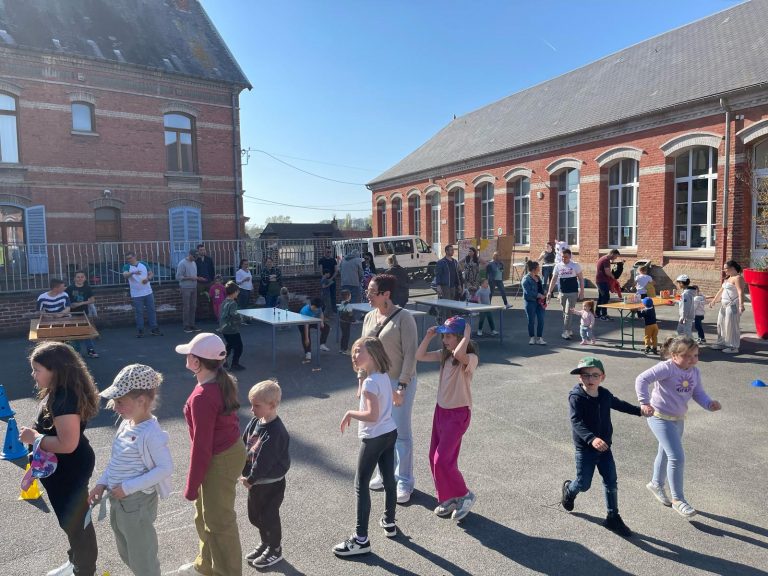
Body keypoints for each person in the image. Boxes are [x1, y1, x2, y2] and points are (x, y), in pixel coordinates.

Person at [19, 342, 100, 576]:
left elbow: (68, 444)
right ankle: (75, 561)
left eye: (37, 370)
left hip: (69, 470)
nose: (33, 374)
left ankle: (84, 570)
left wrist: (35, 438)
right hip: (61, 469)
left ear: (56, 371)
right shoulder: (58, 392)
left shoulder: (65, 399)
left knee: (77, 524)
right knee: (71, 522)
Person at [87, 364, 172, 576]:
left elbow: (165, 468)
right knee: (126, 551)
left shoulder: (150, 433)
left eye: (120, 402)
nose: (115, 407)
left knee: (143, 558)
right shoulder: (127, 424)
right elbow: (117, 461)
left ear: (141, 401)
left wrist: (128, 487)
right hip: (119, 499)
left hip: (136, 503)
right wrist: (102, 483)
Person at [175, 333, 245, 576]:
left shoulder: (202, 397)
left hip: (220, 458)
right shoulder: (219, 381)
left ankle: (228, 572)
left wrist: (191, 485)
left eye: (189, 354)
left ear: (197, 362)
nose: (186, 357)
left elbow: (202, 446)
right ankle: (205, 565)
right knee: (204, 515)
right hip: (228, 452)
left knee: (219, 522)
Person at [635, 336, 722, 518]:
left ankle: (656, 484)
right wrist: (644, 402)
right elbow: (642, 379)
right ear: (674, 355)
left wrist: (709, 404)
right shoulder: (667, 367)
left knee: (665, 453)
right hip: (659, 417)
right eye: (687, 356)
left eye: (695, 355)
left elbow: (698, 392)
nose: (692, 359)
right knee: (676, 457)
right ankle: (678, 499)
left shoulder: (694, 372)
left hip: (678, 418)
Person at [561, 357, 641, 537]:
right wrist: (591, 438)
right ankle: (569, 490)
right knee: (583, 484)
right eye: (585, 375)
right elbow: (576, 421)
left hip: (604, 447)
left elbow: (619, 404)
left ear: (602, 377)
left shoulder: (604, 395)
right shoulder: (576, 397)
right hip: (586, 449)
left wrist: (639, 411)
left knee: (611, 481)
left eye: (595, 375)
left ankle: (613, 517)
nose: (590, 379)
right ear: (579, 377)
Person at [334, 336, 398, 557]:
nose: (354, 355)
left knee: (361, 484)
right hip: (389, 432)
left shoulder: (372, 382)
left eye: (358, 350)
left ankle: (361, 539)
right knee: (389, 479)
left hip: (374, 437)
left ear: (372, 354)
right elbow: (372, 398)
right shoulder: (382, 376)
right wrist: (361, 377)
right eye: (353, 351)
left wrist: (349, 413)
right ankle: (389, 521)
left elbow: (372, 415)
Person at [362, 274, 419, 504]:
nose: (368, 295)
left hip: (398, 382)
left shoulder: (404, 318)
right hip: (376, 382)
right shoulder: (369, 317)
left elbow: (411, 355)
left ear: (386, 294)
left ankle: (404, 480)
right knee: (380, 431)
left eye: (372, 291)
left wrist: (403, 385)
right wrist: (361, 379)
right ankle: (385, 474)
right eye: (367, 290)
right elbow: (362, 350)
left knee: (401, 433)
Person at [416, 317, 479, 522]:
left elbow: (460, 354)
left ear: (460, 337)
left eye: (449, 336)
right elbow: (419, 355)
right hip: (441, 412)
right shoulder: (444, 355)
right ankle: (450, 497)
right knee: (433, 457)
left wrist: (467, 336)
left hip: (458, 414)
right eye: (444, 336)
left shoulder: (470, 358)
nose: (444, 340)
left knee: (442, 459)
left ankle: (465, 495)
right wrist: (428, 336)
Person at [241, 380, 290, 569]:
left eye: (256, 406)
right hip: (256, 482)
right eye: (251, 404)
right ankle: (266, 542)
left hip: (271, 483)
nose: (252, 409)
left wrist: (251, 478)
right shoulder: (256, 421)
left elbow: (264, 461)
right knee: (255, 516)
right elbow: (244, 443)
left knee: (269, 516)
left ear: (272, 405)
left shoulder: (276, 431)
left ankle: (275, 548)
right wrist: (239, 466)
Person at [710, 260, 746, 354]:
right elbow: (721, 290)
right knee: (720, 324)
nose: (724, 270)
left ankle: (733, 347)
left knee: (731, 325)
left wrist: (741, 305)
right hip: (724, 305)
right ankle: (721, 343)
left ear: (732, 268)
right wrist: (714, 300)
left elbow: (740, 292)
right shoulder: (728, 278)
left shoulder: (738, 278)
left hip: (732, 305)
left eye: (726, 268)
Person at [547, 248, 584, 340]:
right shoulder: (558, 266)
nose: (564, 259)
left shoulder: (575, 265)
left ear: (570, 256)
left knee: (568, 312)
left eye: (566, 257)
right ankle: (569, 329)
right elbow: (554, 279)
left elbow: (581, 279)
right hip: (562, 292)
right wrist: (549, 292)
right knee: (565, 312)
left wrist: (582, 291)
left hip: (573, 292)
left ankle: (565, 331)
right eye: (562, 257)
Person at [122, 251, 162, 338]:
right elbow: (125, 275)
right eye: (127, 259)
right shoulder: (127, 266)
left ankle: (154, 329)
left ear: (134, 257)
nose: (129, 260)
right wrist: (133, 273)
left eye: (130, 258)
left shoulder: (143, 264)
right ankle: (140, 330)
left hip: (148, 291)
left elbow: (151, 273)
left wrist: (148, 279)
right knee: (139, 312)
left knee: (151, 310)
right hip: (136, 294)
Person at [66, 271, 99, 358]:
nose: (80, 279)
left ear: (85, 278)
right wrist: (70, 305)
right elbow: (65, 300)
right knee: (75, 333)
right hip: (72, 314)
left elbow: (92, 300)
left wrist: (81, 303)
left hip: (84, 313)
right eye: (78, 277)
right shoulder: (70, 288)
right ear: (74, 278)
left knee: (86, 332)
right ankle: (77, 352)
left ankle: (90, 350)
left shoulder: (87, 288)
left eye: (82, 277)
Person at [219, 281, 245, 371]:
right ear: (234, 292)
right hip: (231, 329)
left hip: (224, 328)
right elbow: (233, 314)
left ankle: (223, 360)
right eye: (237, 292)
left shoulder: (224, 302)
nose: (238, 293)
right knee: (239, 347)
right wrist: (243, 318)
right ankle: (235, 364)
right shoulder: (233, 303)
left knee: (230, 344)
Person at [177, 249, 204, 333]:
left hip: (194, 287)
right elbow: (178, 277)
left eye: (196, 257)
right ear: (190, 255)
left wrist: (198, 278)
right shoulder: (182, 263)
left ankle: (192, 324)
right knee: (187, 307)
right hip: (186, 288)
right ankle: (186, 326)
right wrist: (190, 278)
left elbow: (194, 276)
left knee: (193, 306)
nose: (195, 258)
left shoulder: (194, 263)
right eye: (194, 256)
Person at [521, 260, 547, 345]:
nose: (539, 269)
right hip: (530, 302)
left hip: (540, 303)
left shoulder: (538, 277)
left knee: (541, 320)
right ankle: (532, 338)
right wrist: (538, 295)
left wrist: (544, 292)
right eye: (538, 268)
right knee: (531, 321)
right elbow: (528, 292)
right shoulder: (526, 279)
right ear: (533, 269)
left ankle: (539, 338)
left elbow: (540, 288)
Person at [595, 249, 621, 320]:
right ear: (612, 254)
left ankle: (597, 313)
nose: (616, 258)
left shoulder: (604, 258)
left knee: (601, 297)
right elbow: (607, 272)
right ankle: (603, 315)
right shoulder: (606, 260)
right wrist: (613, 277)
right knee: (605, 297)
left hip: (600, 280)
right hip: (602, 281)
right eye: (616, 256)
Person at [195, 244, 216, 318]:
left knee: (211, 299)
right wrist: (198, 278)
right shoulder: (195, 260)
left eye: (204, 249)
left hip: (209, 282)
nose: (203, 251)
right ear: (198, 251)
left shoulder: (209, 259)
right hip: (199, 283)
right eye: (201, 250)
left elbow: (212, 270)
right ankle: (200, 317)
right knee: (198, 300)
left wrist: (212, 280)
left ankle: (212, 315)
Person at [318, 246, 338, 311]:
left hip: (332, 280)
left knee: (333, 295)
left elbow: (336, 271)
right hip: (325, 280)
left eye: (330, 252)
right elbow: (321, 271)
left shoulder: (333, 260)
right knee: (324, 297)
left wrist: (331, 278)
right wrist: (325, 279)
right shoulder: (321, 260)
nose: (329, 253)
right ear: (325, 252)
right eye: (328, 252)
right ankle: (323, 310)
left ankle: (334, 310)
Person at [338, 288, 354, 355]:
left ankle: (342, 348)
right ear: (348, 296)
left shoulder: (341, 304)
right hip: (347, 322)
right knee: (346, 336)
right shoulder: (349, 305)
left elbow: (340, 311)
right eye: (350, 295)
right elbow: (350, 314)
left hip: (342, 321)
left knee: (343, 335)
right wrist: (353, 320)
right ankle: (345, 349)